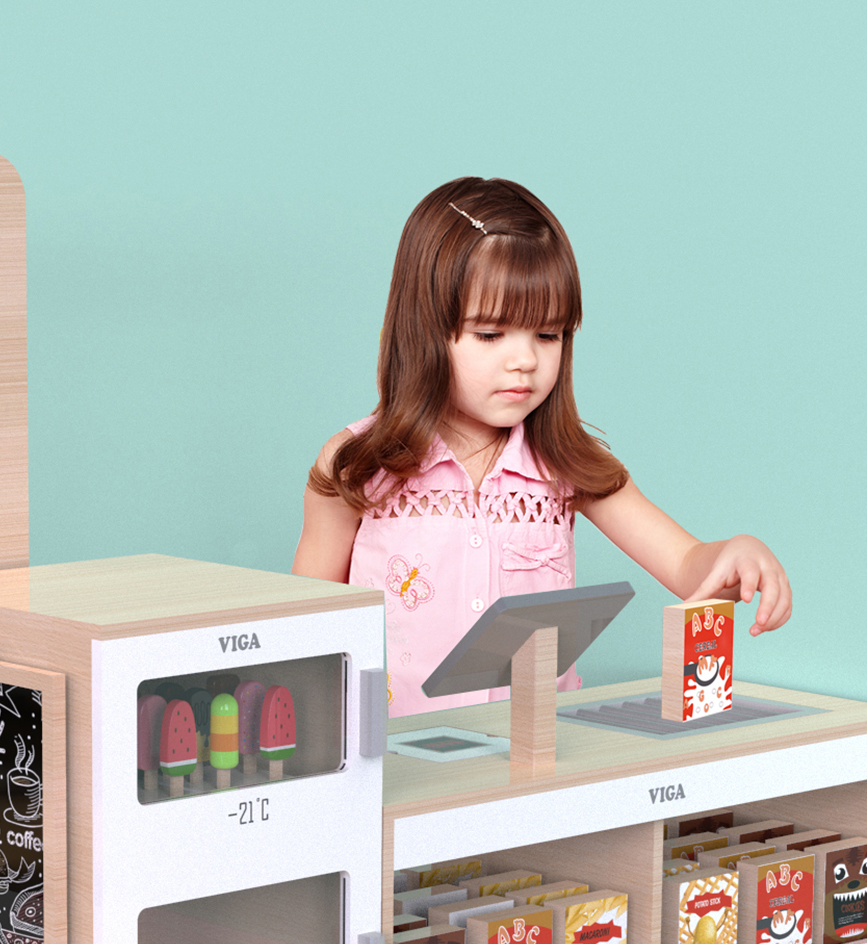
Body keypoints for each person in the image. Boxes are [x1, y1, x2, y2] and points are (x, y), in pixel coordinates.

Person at [292, 177, 791, 716]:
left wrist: (735, 553)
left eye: (548, 335)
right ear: (424, 330)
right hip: (397, 769)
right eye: (490, 335)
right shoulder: (353, 467)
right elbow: (301, 624)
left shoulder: (569, 467)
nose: (525, 360)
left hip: (535, 764)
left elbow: (689, 564)